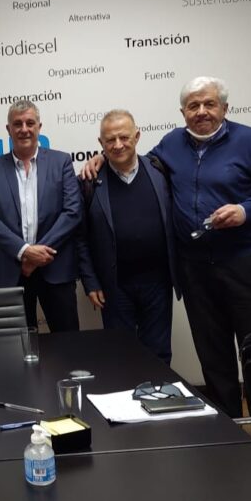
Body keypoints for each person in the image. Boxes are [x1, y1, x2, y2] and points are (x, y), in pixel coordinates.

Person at [82, 77, 251, 417]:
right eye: (193, 106)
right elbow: (129, 159)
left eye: (209, 104)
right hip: (195, 270)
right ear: (183, 112)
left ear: (225, 107)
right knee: (212, 354)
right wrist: (101, 157)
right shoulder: (171, 145)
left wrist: (246, 210)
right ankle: (225, 425)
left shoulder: (250, 141)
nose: (201, 111)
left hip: (244, 264)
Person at [77, 110, 179, 363]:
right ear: (101, 143)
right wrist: (90, 282)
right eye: (110, 140)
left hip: (158, 283)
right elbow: (80, 238)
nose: (118, 144)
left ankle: (159, 389)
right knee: (120, 355)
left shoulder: (160, 170)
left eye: (124, 137)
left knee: (159, 352)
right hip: (114, 286)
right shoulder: (89, 182)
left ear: (137, 136)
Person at [0, 99, 82, 331]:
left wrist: (36, 256)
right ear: (8, 129)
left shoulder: (61, 162)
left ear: (39, 127)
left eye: (30, 123)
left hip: (55, 267)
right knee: (18, 346)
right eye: (17, 124)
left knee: (69, 343)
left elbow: (73, 212)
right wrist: (24, 251)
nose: (24, 129)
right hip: (11, 271)